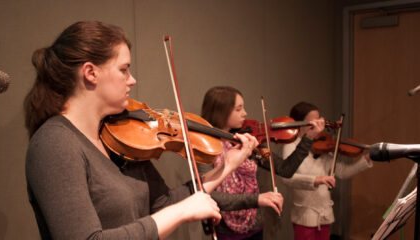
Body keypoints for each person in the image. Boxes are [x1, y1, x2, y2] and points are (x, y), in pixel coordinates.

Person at [23, 21, 259, 240]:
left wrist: (227, 166)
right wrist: (180, 212)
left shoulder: (118, 138)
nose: (132, 80)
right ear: (90, 73)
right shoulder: (54, 143)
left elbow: (163, 203)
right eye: (124, 69)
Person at [198, 86, 325, 240]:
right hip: (226, 232)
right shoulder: (204, 147)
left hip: (255, 227)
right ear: (221, 111)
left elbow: (286, 169)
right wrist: (257, 199)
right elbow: (210, 195)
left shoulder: (248, 140)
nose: (245, 113)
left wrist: (308, 138)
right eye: (239, 109)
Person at [281, 101, 373, 240]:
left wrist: (364, 160)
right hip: (304, 213)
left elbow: (342, 172)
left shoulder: (322, 144)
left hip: (325, 212)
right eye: (314, 120)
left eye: (320, 119)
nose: (320, 124)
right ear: (299, 123)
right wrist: (316, 180)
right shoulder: (291, 146)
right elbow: (287, 178)